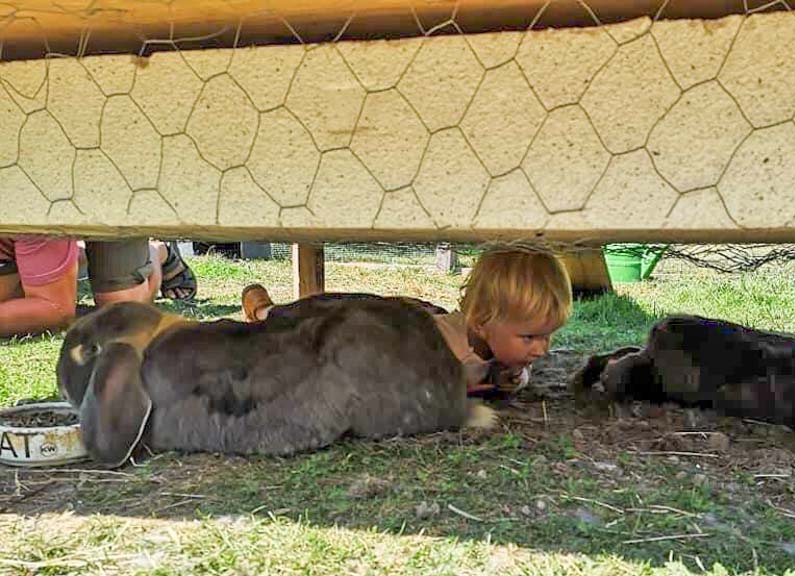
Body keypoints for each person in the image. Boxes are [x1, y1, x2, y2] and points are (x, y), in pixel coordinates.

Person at [240, 247, 573, 395]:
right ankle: (264, 312)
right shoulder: (438, 346)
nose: (542, 350)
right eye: (530, 338)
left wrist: (514, 374)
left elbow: (503, 372)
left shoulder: (494, 338)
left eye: (548, 336)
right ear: (484, 322)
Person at [0, 236, 196, 338]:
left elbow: (56, 310)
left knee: (121, 308)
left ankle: (156, 251)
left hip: (101, 192)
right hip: (32, 237)